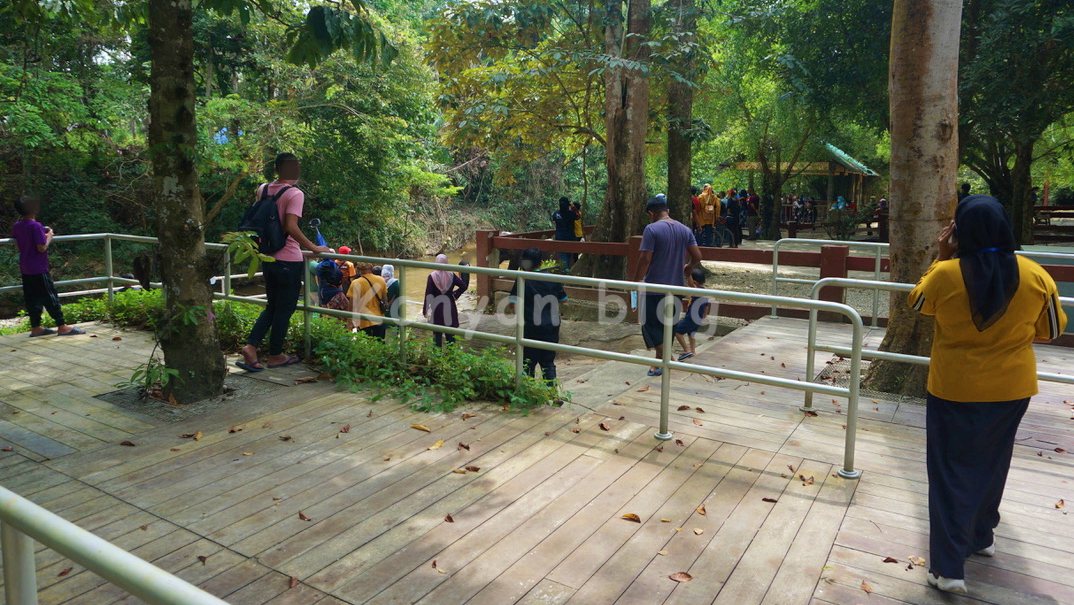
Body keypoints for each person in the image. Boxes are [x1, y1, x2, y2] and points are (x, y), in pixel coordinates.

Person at [908, 196, 1067, 595]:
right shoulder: (1036, 276)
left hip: (953, 388)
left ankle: (948, 569)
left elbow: (918, 304)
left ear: (961, 231)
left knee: (948, 473)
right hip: (1011, 389)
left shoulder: (946, 275)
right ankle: (981, 537)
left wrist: (940, 257)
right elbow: (1052, 330)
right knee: (993, 463)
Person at [238, 153, 330, 372]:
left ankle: (252, 346)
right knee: (285, 308)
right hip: (288, 258)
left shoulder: (263, 189)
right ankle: (275, 354)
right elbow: (290, 226)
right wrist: (314, 248)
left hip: (267, 256)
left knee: (273, 305)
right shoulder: (295, 194)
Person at [632, 195, 702, 376]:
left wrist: (635, 280)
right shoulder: (685, 229)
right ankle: (658, 365)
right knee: (667, 327)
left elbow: (645, 258)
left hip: (655, 286)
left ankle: (668, 359)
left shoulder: (651, 229)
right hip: (677, 287)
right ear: (667, 211)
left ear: (651, 213)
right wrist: (688, 268)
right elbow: (697, 256)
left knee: (649, 324)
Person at [11, 196, 84, 337]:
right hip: (38, 267)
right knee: (50, 296)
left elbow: (19, 241)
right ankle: (62, 326)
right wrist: (49, 235)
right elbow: (41, 247)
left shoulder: (17, 226)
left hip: (25, 267)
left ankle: (36, 327)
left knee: (32, 298)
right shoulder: (36, 226)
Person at [507, 248, 568, 382]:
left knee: (528, 362)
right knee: (548, 361)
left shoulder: (522, 279)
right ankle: (551, 393)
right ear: (541, 262)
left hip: (530, 326)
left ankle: (529, 392)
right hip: (551, 326)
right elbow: (564, 300)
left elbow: (513, 303)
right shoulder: (553, 278)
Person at [423, 254, 470, 347]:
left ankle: (437, 357)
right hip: (449, 305)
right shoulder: (451, 275)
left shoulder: (432, 276)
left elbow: (428, 294)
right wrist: (454, 294)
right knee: (450, 334)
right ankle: (451, 357)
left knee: (437, 335)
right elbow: (464, 286)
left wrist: (425, 310)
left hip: (437, 308)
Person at [674, 267, 710, 361]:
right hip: (697, 319)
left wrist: (688, 272)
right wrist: (704, 316)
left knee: (677, 332)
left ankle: (686, 350)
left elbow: (690, 284)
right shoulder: (705, 292)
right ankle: (693, 351)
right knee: (691, 334)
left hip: (691, 318)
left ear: (694, 282)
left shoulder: (696, 291)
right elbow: (707, 306)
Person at [347, 262, 388, 339]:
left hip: (363, 321)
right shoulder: (381, 280)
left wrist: (349, 320)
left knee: (365, 346)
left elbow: (352, 304)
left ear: (358, 270)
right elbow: (385, 300)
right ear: (371, 267)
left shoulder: (355, 283)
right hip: (378, 319)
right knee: (379, 344)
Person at [551, 197, 578, 269]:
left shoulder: (556, 214)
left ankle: (565, 272)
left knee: (563, 255)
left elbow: (553, 219)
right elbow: (578, 216)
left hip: (560, 238)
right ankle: (565, 272)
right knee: (567, 256)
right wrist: (573, 208)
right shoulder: (571, 214)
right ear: (568, 205)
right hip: (570, 238)